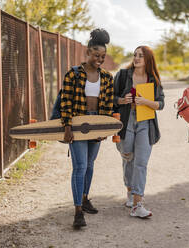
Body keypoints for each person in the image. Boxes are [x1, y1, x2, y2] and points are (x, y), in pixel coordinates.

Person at [60, 28, 114, 228]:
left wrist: (104, 129)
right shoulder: (73, 74)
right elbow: (66, 101)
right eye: (96, 55)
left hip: (96, 124)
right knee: (80, 166)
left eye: (103, 56)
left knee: (90, 165)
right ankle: (77, 212)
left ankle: (85, 198)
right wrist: (67, 127)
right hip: (76, 124)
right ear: (87, 53)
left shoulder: (107, 77)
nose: (99, 59)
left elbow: (108, 105)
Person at [113, 46, 165, 218]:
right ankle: (129, 189)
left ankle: (137, 204)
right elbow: (108, 98)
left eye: (140, 56)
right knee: (128, 155)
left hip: (146, 122)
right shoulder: (122, 75)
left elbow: (161, 104)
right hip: (126, 119)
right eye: (135, 55)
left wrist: (146, 101)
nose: (136, 58)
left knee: (141, 162)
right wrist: (122, 99)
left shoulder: (153, 79)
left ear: (148, 59)